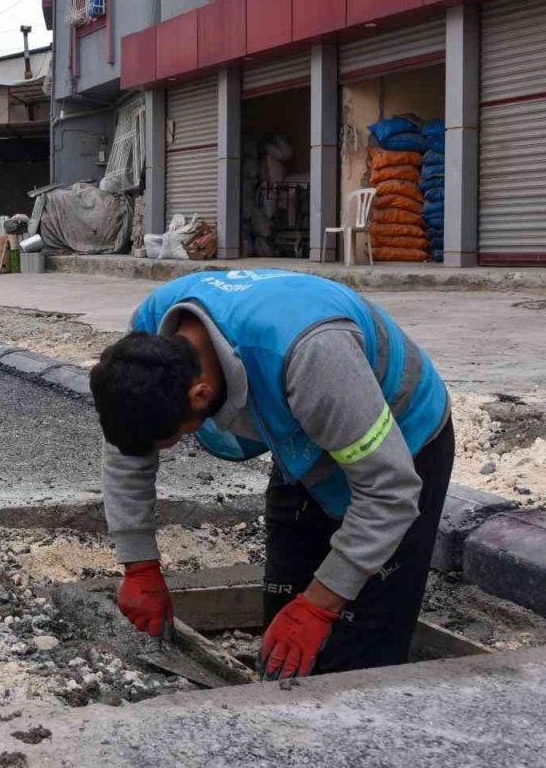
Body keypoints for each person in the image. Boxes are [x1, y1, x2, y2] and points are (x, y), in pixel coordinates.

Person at [89, 269, 453, 680]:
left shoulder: (311, 355)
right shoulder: (150, 335)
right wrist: (139, 564)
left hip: (402, 437)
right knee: (285, 629)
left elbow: (389, 491)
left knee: (357, 658)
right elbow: (127, 452)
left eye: (172, 438)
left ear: (200, 394)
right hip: (301, 431)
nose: (166, 446)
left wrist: (320, 605)